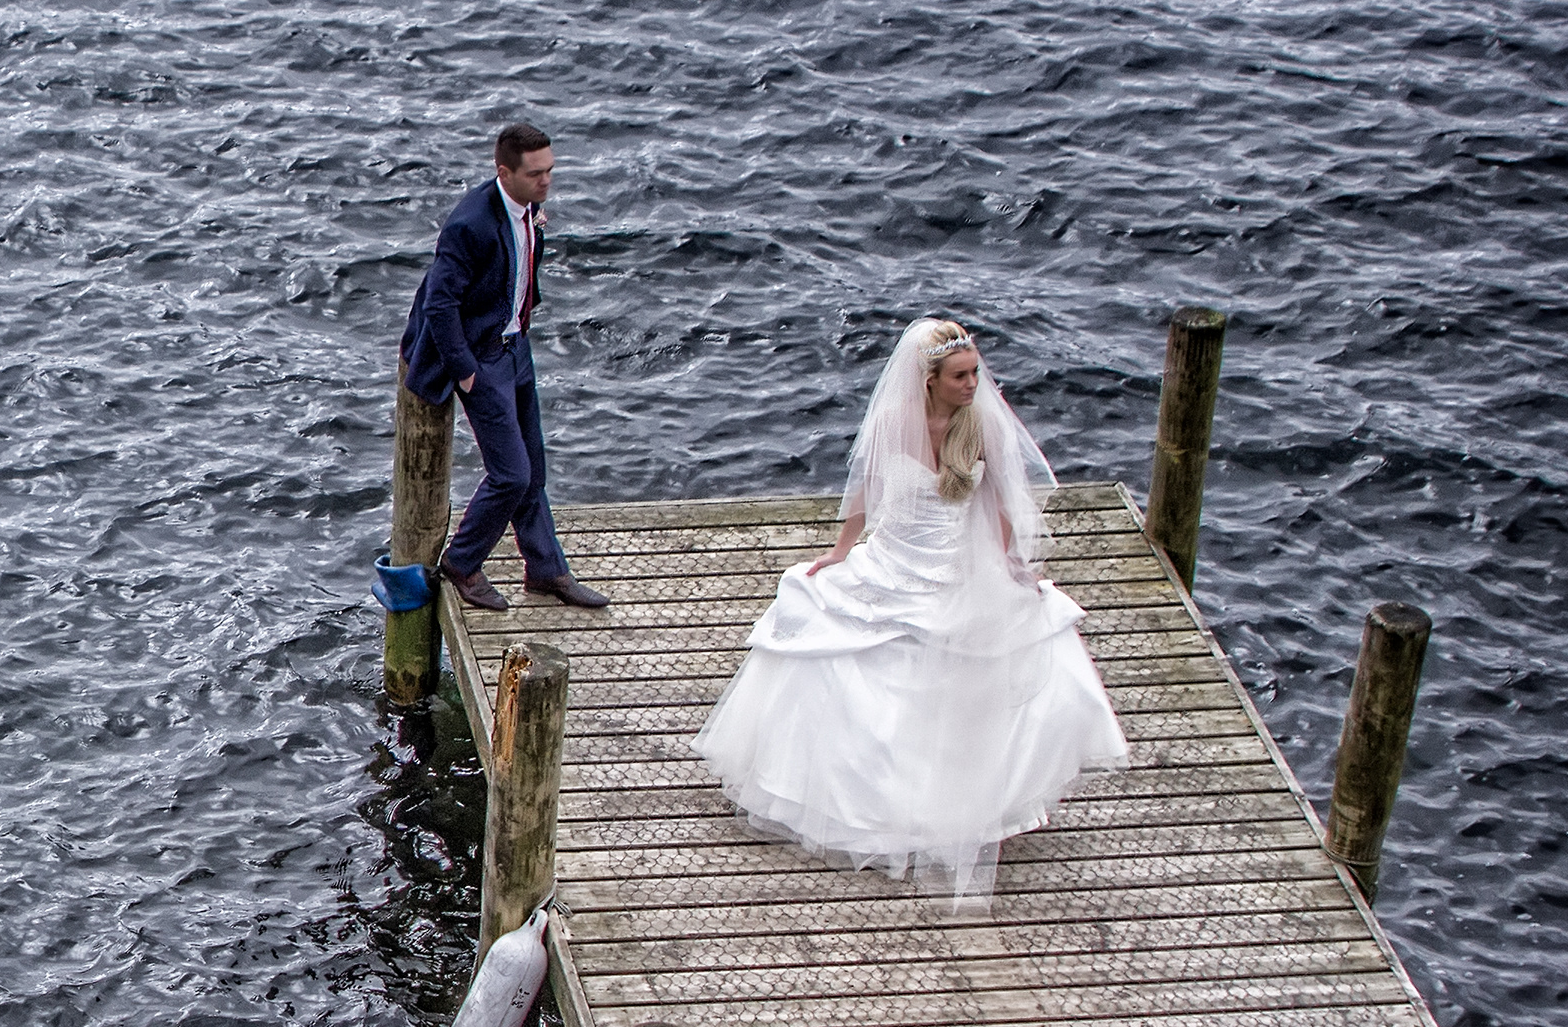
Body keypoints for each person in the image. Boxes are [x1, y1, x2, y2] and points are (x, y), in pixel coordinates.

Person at [693, 316, 1129, 902]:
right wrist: (841, 551)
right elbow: (865, 491)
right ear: (928, 379)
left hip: (951, 574)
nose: (974, 384)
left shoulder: (980, 427)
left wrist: (1008, 563)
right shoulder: (895, 421)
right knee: (815, 614)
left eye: (975, 372)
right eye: (960, 376)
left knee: (1033, 632)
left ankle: (963, 803)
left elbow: (1001, 499)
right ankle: (867, 805)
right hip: (893, 569)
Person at [399, 124, 607, 611]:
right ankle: (463, 562)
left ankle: (547, 570)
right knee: (510, 474)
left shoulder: (529, 210)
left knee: (533, 471)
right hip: (482, 358)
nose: (546, 181)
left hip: (516, 346)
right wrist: (466, 371)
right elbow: (441, 304)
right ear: (503, 172)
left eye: (550, 170)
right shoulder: (468, 224)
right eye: (535, 173)